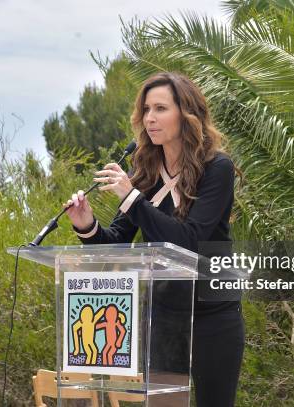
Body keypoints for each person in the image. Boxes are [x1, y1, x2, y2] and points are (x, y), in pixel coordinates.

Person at [63, 72, 244, 407]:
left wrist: (131, 198)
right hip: (164, 316)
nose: (149, 118)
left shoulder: (216, 169)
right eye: (146, 109)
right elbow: (117, 243)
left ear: (186, 114)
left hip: (214, 317)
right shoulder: (146, 172)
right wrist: (86, 224)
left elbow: (188, 241)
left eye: (160, 108)